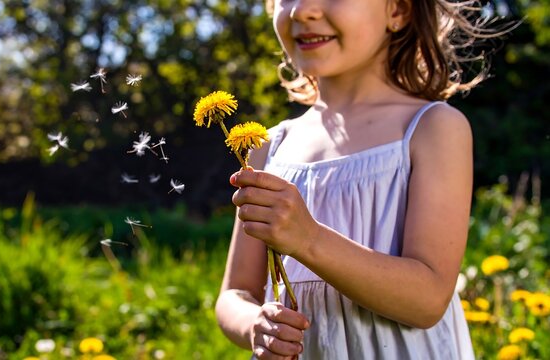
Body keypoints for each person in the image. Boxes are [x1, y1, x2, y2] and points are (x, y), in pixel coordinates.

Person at [215, 0, 510, 358]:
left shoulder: (432, 129)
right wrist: (255, 325)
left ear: (398, 11)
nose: (302, 11)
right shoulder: (268, 148)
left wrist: (308, 239)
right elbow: (235, 294)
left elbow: (428, 300)